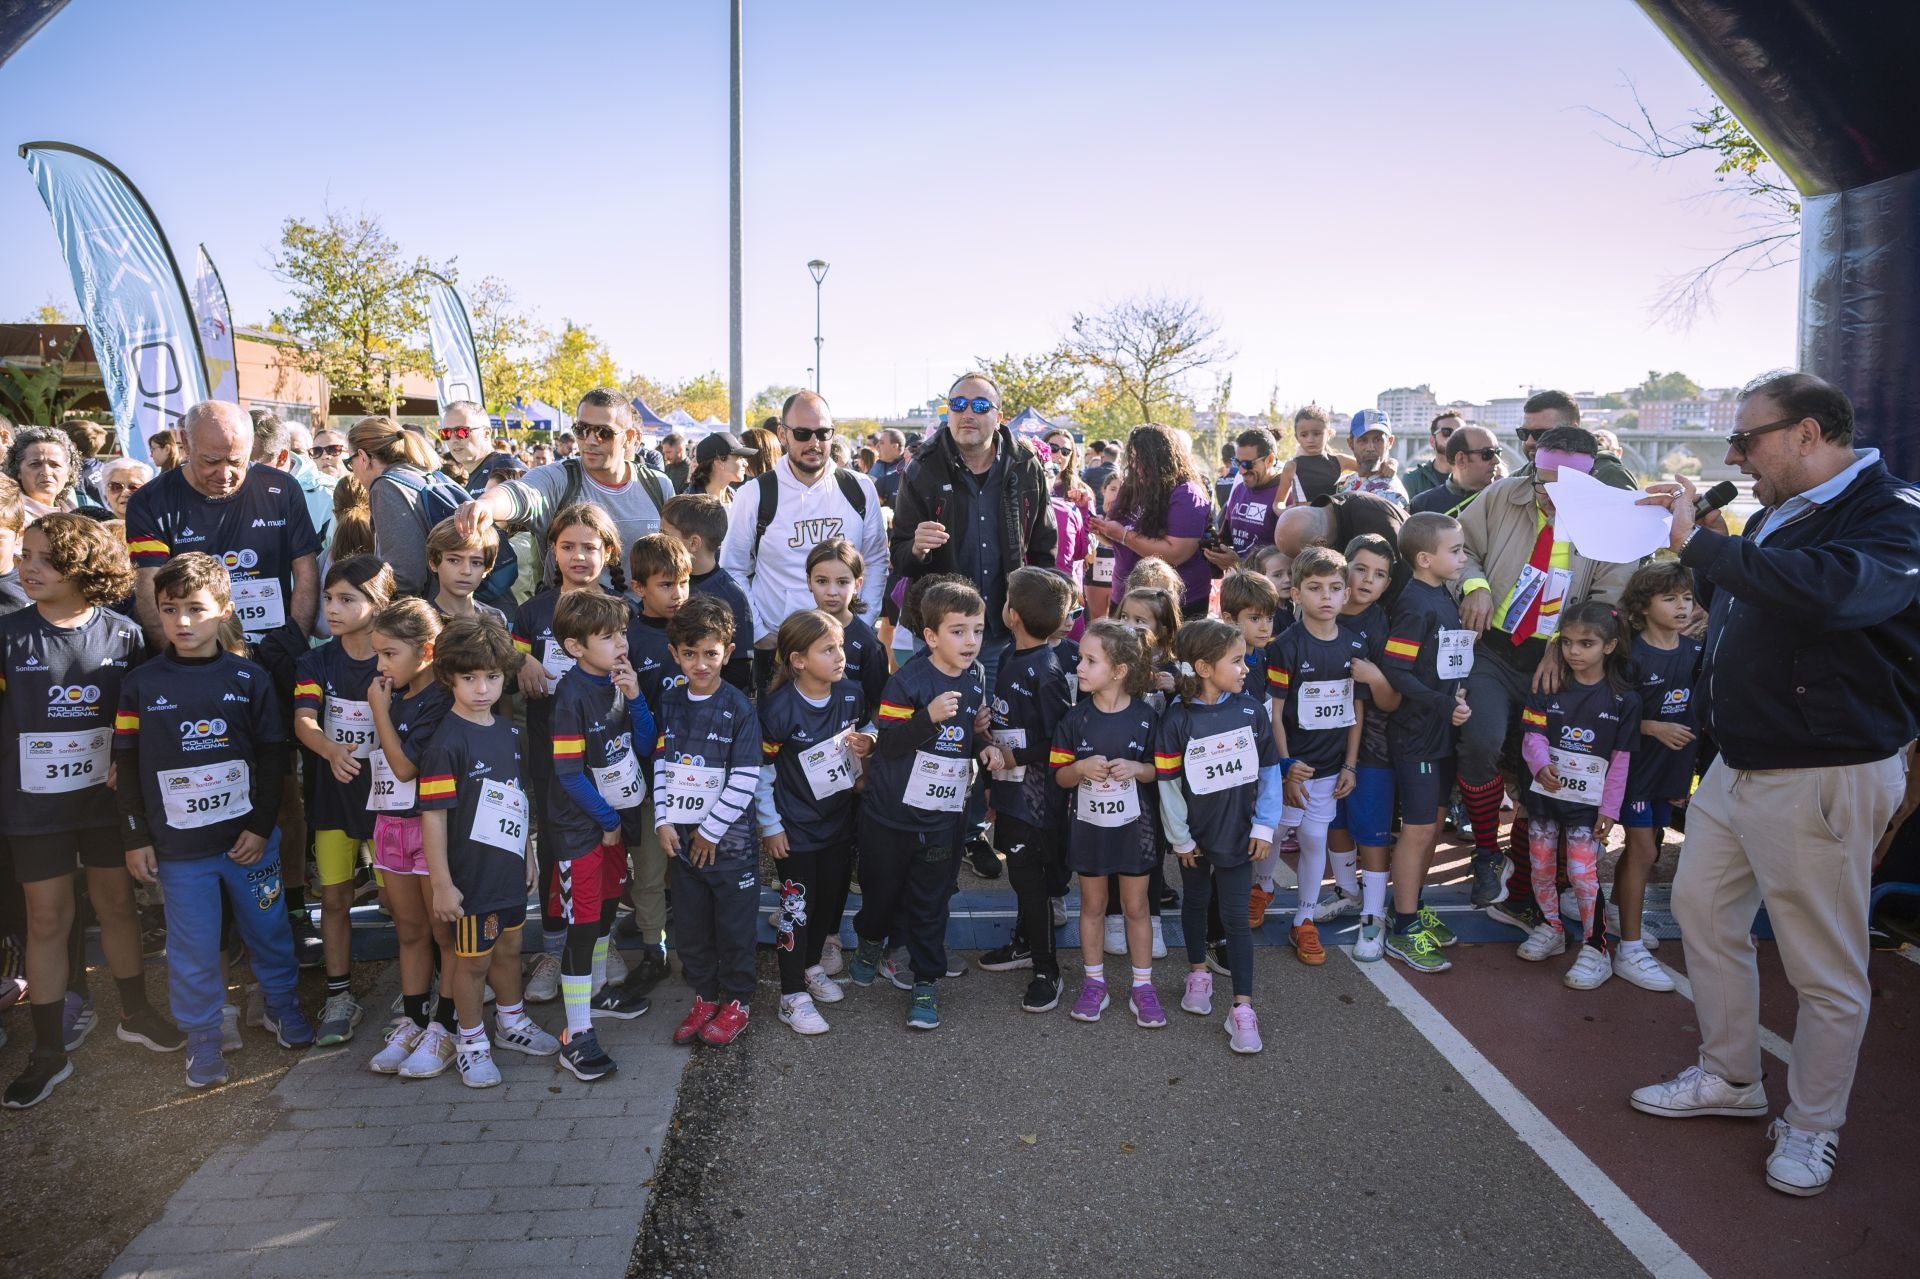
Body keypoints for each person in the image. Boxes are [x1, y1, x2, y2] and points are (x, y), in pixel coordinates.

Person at [1629, 371, 1918, 1198]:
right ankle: (1731, 1075)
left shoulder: (1894, 512)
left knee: (1823, 965)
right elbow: (1760, 603)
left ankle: (1814, 1125)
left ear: (1807, 433)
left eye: (1748, 439)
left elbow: (1835, 593)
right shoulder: (1781, 511)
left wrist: (1708, 547)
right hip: (1741, 763)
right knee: (1703, 913)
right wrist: (1719, 557)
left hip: (1822, 769)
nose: (1736, 455)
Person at [0, 515, 180, 1109]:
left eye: (43, 560)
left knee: (117, 906)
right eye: (24, 555)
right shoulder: (7, 633)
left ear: (84, 568)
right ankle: (48, 1050)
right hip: (34, 809)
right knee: (46, 921)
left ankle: (135, 1012)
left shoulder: (124, 634)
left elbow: (140, 718)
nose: (27, 568)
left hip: (106, 805)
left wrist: (125, 762)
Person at [117, 553, 311, 1089]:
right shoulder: (141, 684)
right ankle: (202, 1030)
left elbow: (275, 757)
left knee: (269, 930)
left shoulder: (250, 678)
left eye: (196, 609)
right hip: (179, 852)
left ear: (224, 609)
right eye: (169, 609)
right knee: (194, 944)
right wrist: (135, 837)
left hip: (249, 843)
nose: (182, 621)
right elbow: (127, 762)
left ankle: (279, 1003)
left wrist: (259, 824)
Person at [1452, 425, 1635, 922]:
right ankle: (1487, 850)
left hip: (1561, 657)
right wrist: (1474, 585)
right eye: (1541, 481)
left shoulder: (1608, 520)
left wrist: (1562, 645)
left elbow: (1608, 597)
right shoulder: (1501, 496)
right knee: (1482, 741)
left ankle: (1537, 888)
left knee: (1544, 769)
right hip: (1493, 648)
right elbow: (1459, 546)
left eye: (1563, 489)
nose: (1548, 495)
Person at [890, 374, 1057, 872]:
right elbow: (899, 550)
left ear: (998, 415)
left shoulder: (1025, 465)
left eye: (979, 404)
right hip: (947, 631)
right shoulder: (922, 467)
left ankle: (999, 828)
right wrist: (915, 545)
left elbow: (1044, 548)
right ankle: (953, 832)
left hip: (1010, 628)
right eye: (958, 403)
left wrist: (1043, 610)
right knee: (950, 732)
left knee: (1003, 732)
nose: (968, 412)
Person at [846, 580, 989, 1030]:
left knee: (931, 901)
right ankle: (871, 939)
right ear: (930, 637)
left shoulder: (978, 674)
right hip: (890, 815)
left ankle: (926, 982)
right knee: (881, 894)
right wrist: (927, 718)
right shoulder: (906, 681)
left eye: (978, 630)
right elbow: (886, 745)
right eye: (958, 631)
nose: (970, 642)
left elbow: (964, 738)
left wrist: (982, 742)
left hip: (944, 817)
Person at [418, 616, 547, 1088]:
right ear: (448, 676)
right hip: (469, 880)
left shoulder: (509, 733)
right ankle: (470, 1043)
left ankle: (511, 1022)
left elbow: (517, 797)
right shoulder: (445, 743)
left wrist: (529, 854)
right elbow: (432, 817)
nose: (481, 688)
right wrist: (442, 884)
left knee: (510, 947)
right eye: (469, 677)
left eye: (492, 677)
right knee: (471, 963)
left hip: (508, 872)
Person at [510, 504, 632, 1001]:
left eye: (590, 547)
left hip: (609, 756)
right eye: (567, 547)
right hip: (552, 753)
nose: (579, 557)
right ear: (552, 552)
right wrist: (522, 662)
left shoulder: (622, 610)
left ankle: (600, 940)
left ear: (608, 552)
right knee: (558, 850)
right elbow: (508, 652)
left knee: (609, 851)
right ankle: (554, 948)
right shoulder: (534, 611)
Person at [125, 401, 321, 695]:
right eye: (211, 461)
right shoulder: (152, 500)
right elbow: (148, 587)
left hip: (274, 652)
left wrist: (293, 642)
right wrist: (183, 660)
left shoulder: (282, 489)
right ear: (186, 444)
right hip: (195, 658)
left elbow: (306, 571)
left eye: (237, 461)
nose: (225, 473)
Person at [1155, 617, 1284, 1054]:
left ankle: (1242, 1009)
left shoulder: (1250, 711)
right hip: (1195, 838)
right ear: (1204, 667)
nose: (1246, 666)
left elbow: (1269, 773)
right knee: (1195, 901)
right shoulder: (1176, 721)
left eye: (1245, 658)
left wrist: (1264, 826)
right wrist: (1181, 839)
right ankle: (1198, 974)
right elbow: (1168, 784)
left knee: (1235, 920)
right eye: (1236, 659)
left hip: (1239, 837)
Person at [545, 591, 657, 1077]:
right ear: (574, 647)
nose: (621, 643)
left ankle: (593, 992)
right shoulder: (570, 697)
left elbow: (648, 744)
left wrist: (635, 698)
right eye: (608, 636)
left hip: (615, 821)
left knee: (609, 908)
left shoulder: (617, 680)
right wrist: (607, 823)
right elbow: (568, 775)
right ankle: (575, 1033)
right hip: (581, 830)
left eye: (623, 633)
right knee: (583, 924)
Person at [291, 555, 397, 1046]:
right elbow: (304, 720)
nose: (331, 609)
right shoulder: (316, 659)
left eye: (346, 600)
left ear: (379, 605)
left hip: (389, 802)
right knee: (333, 898)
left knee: (400, 902)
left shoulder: (394, 658)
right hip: (334, 798)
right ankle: (339, 995)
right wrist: (331, 750)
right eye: (329, 598)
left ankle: (419, 988)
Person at [719, 392, 888, 695]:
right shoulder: (755, 494)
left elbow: (876, 560)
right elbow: (732, 568)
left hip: (845, 647)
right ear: (782, 435)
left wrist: (861, 622)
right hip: (779, 649)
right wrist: (760, 632)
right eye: (802, 433)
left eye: (823, 433)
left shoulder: (859, 488)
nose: (814, 442)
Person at [757, 610, 874, 1035]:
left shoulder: (851, 694)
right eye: (828, 649)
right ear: (798, 660)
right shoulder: (778, 709)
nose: (840, 655)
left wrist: (869, 741)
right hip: (797, 831)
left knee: (828, 903)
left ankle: (810, 968)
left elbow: (865, 731)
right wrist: (770, 826)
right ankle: (791, 995)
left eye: (840, 645)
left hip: (838, 824)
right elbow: (762, 772)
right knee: (797, 911)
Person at [655, 597, 763, 1049]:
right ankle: (705, 996)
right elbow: (662, 762)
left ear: (729, 651)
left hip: (729, 846)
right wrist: (662, 820)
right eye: (690, 653)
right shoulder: (670, 701)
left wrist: (710, 831)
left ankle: (737, 1001)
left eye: (711, 653)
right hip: (681, 843)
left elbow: (745, 777)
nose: (701, 663)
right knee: (693, 928)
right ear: (675, 653)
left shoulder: (739, 708)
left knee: (734, 929)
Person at [362, 599, 464, 1074]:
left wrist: (379, 712)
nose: (380, 665)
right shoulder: (395, 694)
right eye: (377, 654)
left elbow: (405, 767)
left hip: (431, 827)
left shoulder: (441, 698)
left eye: (388, 654)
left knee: (445, 933)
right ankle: (414, 1019)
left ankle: (446, 1028)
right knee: (409, 930)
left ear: (425, 651)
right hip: (390, 825)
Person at [1516, 601, 1639, 989]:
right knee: (1540, 866)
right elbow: (1532, 735)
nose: (1574, 651)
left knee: (1583, 874)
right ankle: (1551, 927)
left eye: (1586, 643)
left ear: (1609, 646)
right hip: (1544, 798)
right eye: (1567, 642)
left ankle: (1596, 945)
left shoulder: (1625, 700)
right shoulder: (1547, 684)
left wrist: (1610, 808)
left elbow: (1620, 760)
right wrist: (1539, 765)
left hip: (1587, 806)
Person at [1052, 620, 1162, 1026]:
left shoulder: (1147, 717)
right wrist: (1079, 767)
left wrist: (1138, 768)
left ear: (1118, 671)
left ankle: (1143, 986)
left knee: (1136, 906)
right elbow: (1059, 777)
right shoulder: (1074, 719)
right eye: (1080, 658)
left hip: (1137, 831)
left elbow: (1163, 771)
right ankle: (1094, 983)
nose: (1079, 667)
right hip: (1089, 828)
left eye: (1090, 660)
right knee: (1093, 904)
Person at [454, 389, 675, 588]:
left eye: (603, 432)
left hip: (643, 626)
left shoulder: (657, 485)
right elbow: (520, 494)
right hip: (570, 621)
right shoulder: (559, 478)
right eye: (581, 429)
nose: (590, 440)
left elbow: (675, 558)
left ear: (629, 438)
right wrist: (486, 504)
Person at [1379, 513, 1474, 974]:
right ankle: (1402, 926)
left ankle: (1413, 907)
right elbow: (1396, 671)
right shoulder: (1415, 603)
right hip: (1417, 735)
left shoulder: (1442, 593)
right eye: (1455, 551)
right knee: (1416, 831)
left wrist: (1455, 695)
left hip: (1442, 731)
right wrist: (1441, 702)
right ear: (1424, 559)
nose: (1463, 557)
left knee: (1434, 827)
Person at [976, 569, 1075, 1011]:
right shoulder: (1012, 657)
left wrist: (1013, 758)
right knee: (1022, 879)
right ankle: (1022, 944)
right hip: (1012, 792)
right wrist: (987, 729)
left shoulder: (1047, 671)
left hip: (1038, 799)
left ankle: (1046, 970)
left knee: (1029, 880)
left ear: (1011, 614)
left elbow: (1059, 742)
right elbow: (1010, 723)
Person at [1266, 548, 1366, 970]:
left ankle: (1304, 916)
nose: (1325, 596)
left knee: (1313, 840)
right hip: (1291, 768)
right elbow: (1274, 712)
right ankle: (1263, 886)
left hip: (1330, 768)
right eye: (1315, 588)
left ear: (1345, 595)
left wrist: (1350, 764)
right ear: (1295, 593)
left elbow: (1357, 709)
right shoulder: (1284, 647)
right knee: (1273, 833)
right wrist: (1287, 767)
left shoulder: (1355, 645)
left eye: (1334, 588)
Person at [1610, 560, 1698, 992]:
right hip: (1633, 772)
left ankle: (1615, 912)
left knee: (1648, 848)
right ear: (1643, 607)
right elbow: (1608, 717)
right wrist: (1652, 726)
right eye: (1670, 599)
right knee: (1644, 851)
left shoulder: (1696, 653)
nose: (1682, 606)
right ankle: (1628, 946)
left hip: (1669, 774)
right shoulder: (1630, 655)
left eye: (1686, 597)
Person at [1327, 534, 1401, 958]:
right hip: (1323, 743)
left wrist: (1374, 678)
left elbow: (1391, 700)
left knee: (1371, 828)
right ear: (1344, 567)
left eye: (1379, 575)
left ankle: (1373, 915)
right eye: (1360, 569)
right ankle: (1347, 892)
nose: (1368, 580)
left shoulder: (1381, 627)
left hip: (1372, 744)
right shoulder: (1316, 611)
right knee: (1333, 821)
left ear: (1388, 584)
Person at [1091, 424, 1212, 619]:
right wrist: (1103, 531)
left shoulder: (1187, 493)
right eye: (1133, 458)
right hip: (1125, 596)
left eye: (1142, 460)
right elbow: (1115, 539)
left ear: (1161, 459)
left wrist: (1123, 535)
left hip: (1172, 603)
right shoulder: (1131, 485)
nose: (1136, 466)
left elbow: (1176, 553)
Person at [662, 494, 755, 693]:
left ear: (694, 543)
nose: (659, 541)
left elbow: (741, 669)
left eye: (665, 534)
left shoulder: (731, 596)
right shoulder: (661, 583)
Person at [251, 410, 335, 556]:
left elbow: (341, 566)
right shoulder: (227, 488)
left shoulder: (328, 497)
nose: (242, 472)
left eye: (253, 465)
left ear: (282, 457)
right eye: (236, 461)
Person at [1515, 390, 1636, 490]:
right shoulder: (1518, 478)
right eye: (1524, 433)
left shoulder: (1610, 476)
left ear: (1573, 430)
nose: (1529, 442)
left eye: (1541, 434)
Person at [1207, 427, 1287, 570]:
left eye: (1247, 464)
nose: (1241, 471)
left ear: (1270, 460)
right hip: (1238, 585)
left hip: (1268, 589)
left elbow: (1288, 560)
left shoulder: (1286, 496)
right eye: (1237, 463)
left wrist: (1239, 562)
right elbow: (1228, 536)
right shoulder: (1239, 489)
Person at [6, 425, 101, 519]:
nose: (46, 472)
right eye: (35, 464)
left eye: (55, 465)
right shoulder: (8, 516)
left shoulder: (82, 505)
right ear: (18, 471)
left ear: (69, 472)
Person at [1409, 424, 1503, 517]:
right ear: (1461, 459)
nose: (1497, 461)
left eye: (1498, 452)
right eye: (1488, 453)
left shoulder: (1504, 500)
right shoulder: (1422, 505)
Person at [1272, 406, 1353, 506]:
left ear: (1329, 433)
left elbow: (1367, 468)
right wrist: (1287, 513)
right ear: (1297, 437)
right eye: (1304, 435)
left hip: (1333, 520)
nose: (1310, 439)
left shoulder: (1340, 460)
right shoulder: (1292, 466)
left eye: (1316, 433)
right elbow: (1278, 503)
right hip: (1302, 520)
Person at [1336, 410, 1409, 507]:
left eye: (1377, 440)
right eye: (1363, 440)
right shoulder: (1342, 484)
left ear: (1390, 442)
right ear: (1350, 443)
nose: (1370, 448)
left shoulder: (1393, 495)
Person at [1401, 411, 1460, 500]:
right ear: (1432, 441)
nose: (1455, 437)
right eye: (1447, 432)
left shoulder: (1476, 479)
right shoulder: (1412, 480)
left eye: (1460, 433)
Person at [691, 430, 756, 502]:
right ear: (719, 463)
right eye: (740, 457)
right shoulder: (689, 506)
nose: (746, 464)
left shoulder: (736, 498)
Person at [98, 457, 151, 521]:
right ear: (106, 492)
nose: (125, 493)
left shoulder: (159, 527)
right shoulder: (96, 529)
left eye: (134, 487)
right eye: (116, 487)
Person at [867, 429, 906, 507]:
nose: (877, 446)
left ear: (895, 446)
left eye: (881, 443)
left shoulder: (907, 471)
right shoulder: (877, 466)